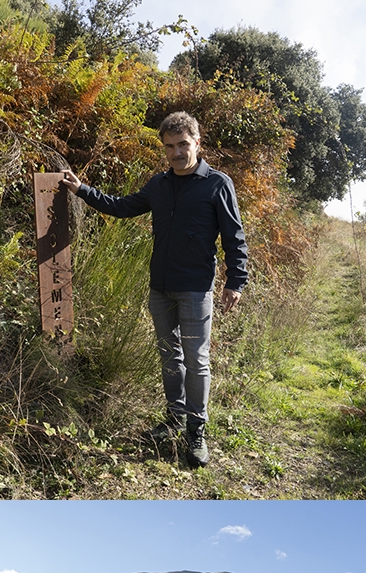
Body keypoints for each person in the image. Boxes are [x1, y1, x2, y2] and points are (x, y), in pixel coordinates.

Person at [58, 111, 249, 467]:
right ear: (164, 149)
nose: (177, 152)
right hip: (159, 287)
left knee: (197, 361)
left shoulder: (217, 184)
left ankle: (196, 431)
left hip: (195, 289)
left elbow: (233, 236)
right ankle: (174, 419)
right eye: (170, 147)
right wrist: (81, 189)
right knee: (169, 357)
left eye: (183, 145)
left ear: (197, 143)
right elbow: (121, 207)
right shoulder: (158, 186)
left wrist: (236, 281)